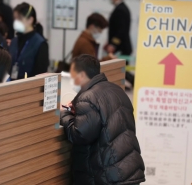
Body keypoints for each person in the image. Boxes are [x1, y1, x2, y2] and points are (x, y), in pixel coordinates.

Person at [60, 55, 145, 185]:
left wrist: (64, 115)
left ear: (82, 75)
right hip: (127, 169)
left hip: (109, 175)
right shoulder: (116, 90)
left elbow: (79, 135)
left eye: (73, 75)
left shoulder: (88, 97)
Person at [9, 2, 49, 80]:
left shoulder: (40, 44)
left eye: (19, 19)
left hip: (29, 88)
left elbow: (40, 75)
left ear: (30, 19)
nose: (16, 22)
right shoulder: (14, 41)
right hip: (12, 86)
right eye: (15, 19)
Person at [105, 0, 135, 88]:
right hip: (121, 47)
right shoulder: (121, 8)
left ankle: (134, 82)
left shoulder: (120, 9)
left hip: (121, 48)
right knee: (121, 70)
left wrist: (113, 44)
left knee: (121, 70)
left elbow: (121, 31)